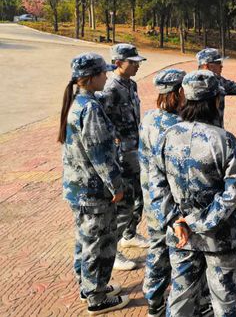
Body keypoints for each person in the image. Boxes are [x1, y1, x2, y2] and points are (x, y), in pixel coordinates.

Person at [150, 70, 236, 317]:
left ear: (185, 98)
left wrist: (175, 222)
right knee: (223, 304)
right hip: (219, 236)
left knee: (180, 301)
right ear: (215, 101)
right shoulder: (225, 140)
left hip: (181, 236)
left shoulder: (166, 137)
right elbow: (231, 194)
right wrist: (196, 222)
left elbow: (157, 188)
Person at [60, 52, 130, 315]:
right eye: (103, 73)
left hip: (78, 188)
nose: (107, 76)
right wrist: (116, 186)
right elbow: (100, 153)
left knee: (84, 239)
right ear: (90, 78)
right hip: (93, 191)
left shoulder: (77, 101)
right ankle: (96, 297)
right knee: (99, 244)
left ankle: (87, 286)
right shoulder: (89, 108)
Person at [139, 69, 191, 317]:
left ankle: (153, 300)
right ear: (179, 92)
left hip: (151, 198)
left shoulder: (149, 118)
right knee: (181, 250)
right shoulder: (180, 127)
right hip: (173, 202)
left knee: (157, 248)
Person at [97, 43, 149, 271]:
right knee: (124, 202)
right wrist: (114, 143)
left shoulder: (131, 84)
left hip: (134, 150)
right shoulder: (110, 89)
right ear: (118, 63)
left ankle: (129, 233)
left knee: (139, 196)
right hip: (121, 156)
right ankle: (113, 251)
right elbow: (101, 122)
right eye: (132, 62)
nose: (137, 65)